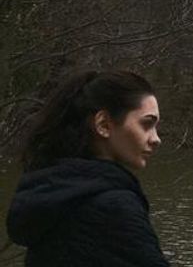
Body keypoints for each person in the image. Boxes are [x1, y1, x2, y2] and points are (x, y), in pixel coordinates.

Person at [5, 70, 171, 266]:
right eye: (146, 124)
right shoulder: (112, 207)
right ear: (103, 125)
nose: (156, 139)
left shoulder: (50, 195)